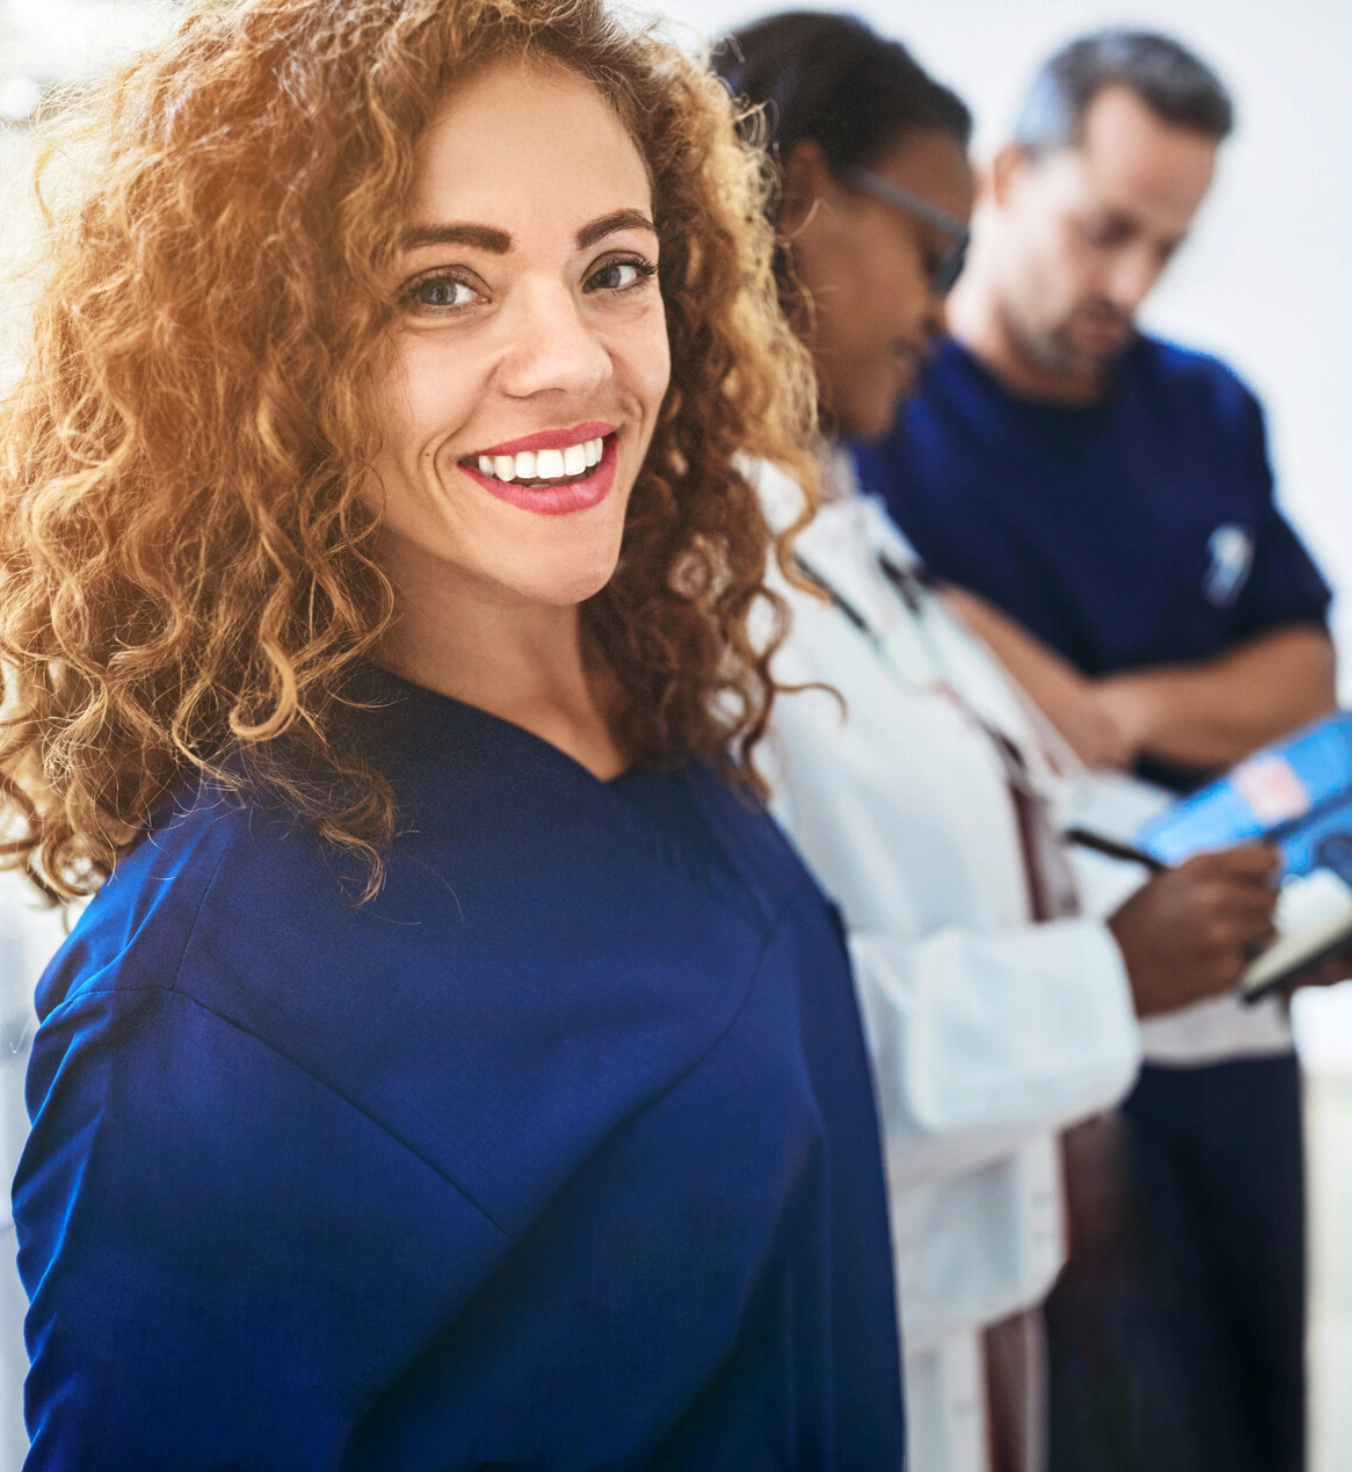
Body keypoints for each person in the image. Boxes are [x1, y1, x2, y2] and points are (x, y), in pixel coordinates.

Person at [0, 2, 906, 1466]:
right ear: (267, 359)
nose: (571, 363)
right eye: (441, 289)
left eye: (614, 269)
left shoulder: (651, 696)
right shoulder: (218, 987)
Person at [710, 15, 1352, 1472]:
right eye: (1102, 232)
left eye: (1170, 247)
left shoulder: (857, 514)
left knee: (1238, 1395)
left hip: (1094, 1107)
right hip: (926, 1243)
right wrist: (1114, 965)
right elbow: (762, 1028)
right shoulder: (775, 535)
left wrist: (1233, 937)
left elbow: (1068, 802)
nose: (1129, 285)